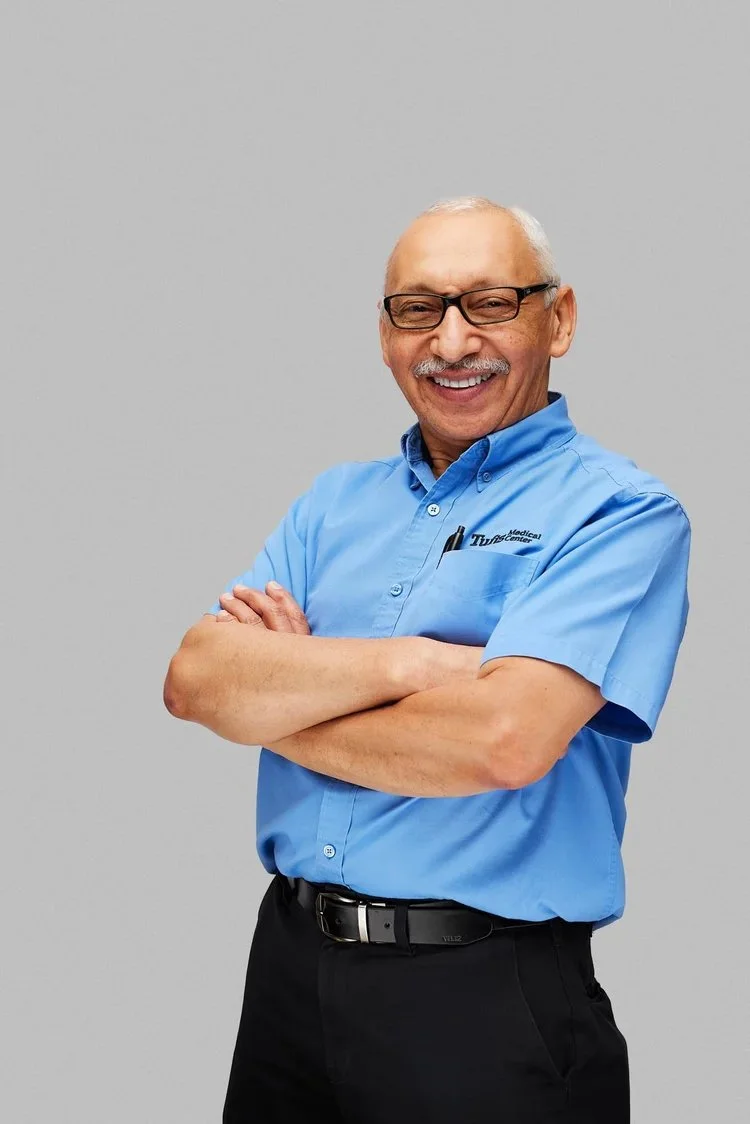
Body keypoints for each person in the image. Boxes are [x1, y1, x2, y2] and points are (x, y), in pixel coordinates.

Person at [163, 196, 691, 1123]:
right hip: (289, 971)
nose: (451, 342)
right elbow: (196, 680)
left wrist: (288, 697)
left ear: (557, 319)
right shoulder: (332, 504)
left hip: (482, 1002)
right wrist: (413, 666)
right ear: (384, 332)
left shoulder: (618, 514)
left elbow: (504, 742)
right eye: (418, 309)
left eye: (489, 303)